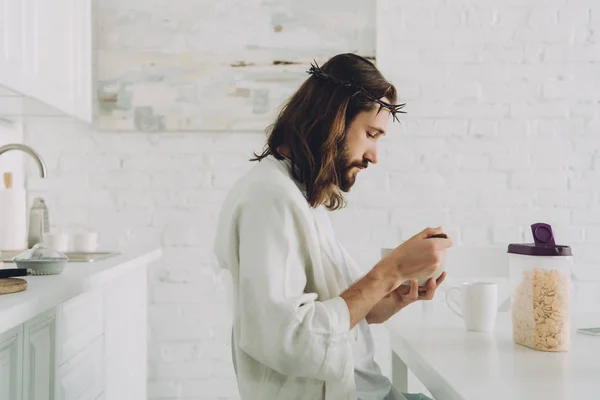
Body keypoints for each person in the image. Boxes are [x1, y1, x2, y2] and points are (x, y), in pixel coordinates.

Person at [214, 53, 453, 400]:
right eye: (371, 134)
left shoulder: (299, 195)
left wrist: (388, 299)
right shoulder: (269, 199)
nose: (374, 155)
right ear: (333, 120)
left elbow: (335, 311)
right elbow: (289, 339)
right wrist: (390, 270)